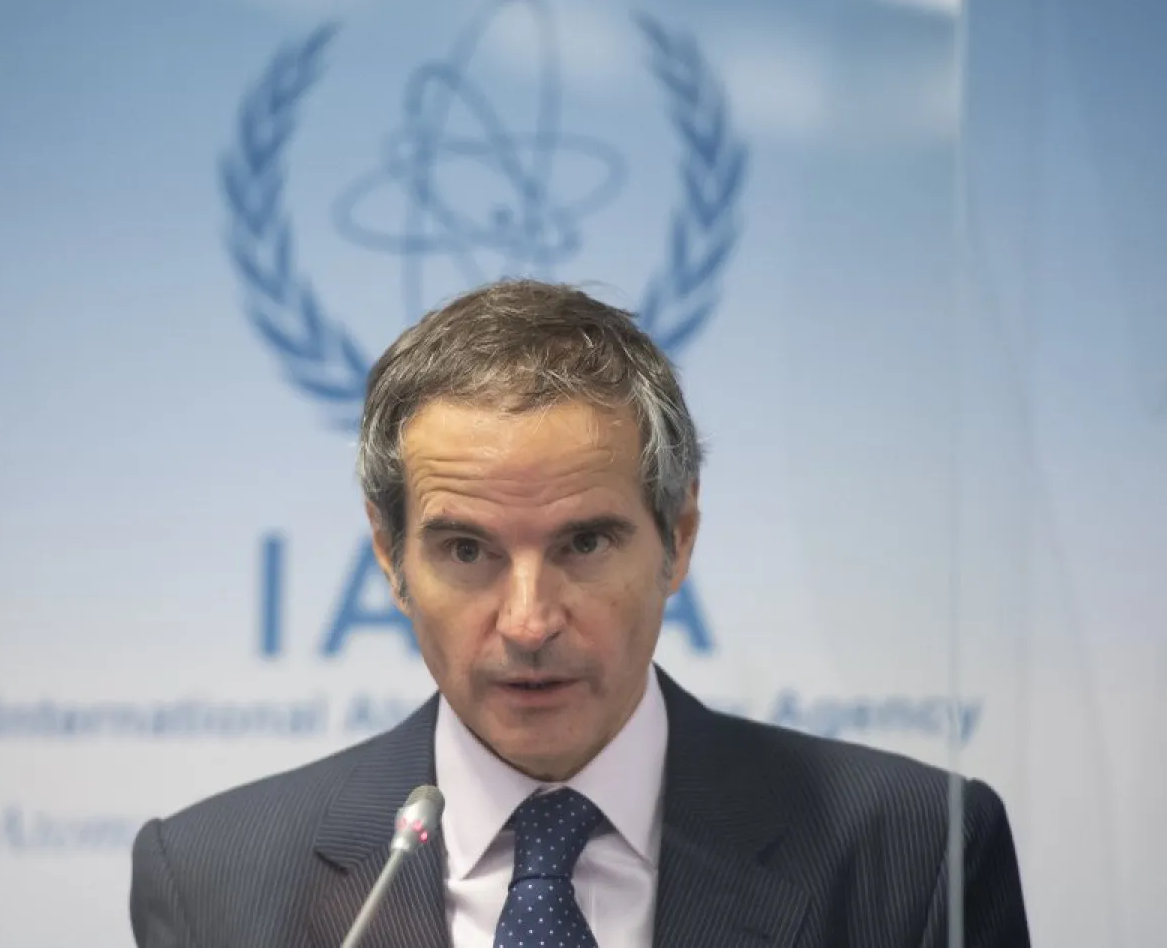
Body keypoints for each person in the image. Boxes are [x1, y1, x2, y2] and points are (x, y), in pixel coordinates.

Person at [129, 279, 1031, 948]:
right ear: (390, 556)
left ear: (677, 536)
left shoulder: (916, 853)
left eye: (585, 543)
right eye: (467, 550)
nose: (528, 623)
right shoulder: (214, 882)